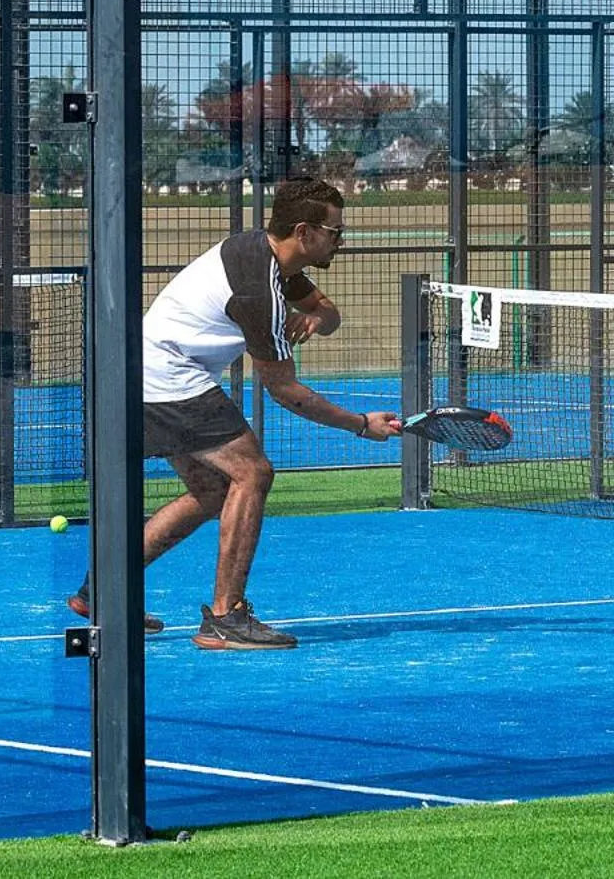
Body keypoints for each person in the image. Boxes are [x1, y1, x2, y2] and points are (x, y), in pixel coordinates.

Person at [68, 177, 403, 650]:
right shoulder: (258, 292)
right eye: (335, 231)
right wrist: (361, 425)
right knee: (253, 473)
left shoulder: (263, 253)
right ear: (304, 232)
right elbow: (287, 392)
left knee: (212, 490)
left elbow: (328, 312)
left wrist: (315, 319)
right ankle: (226, 617)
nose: (339, 240)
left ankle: (100, 592)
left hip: (143, 374)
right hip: (168, 377)